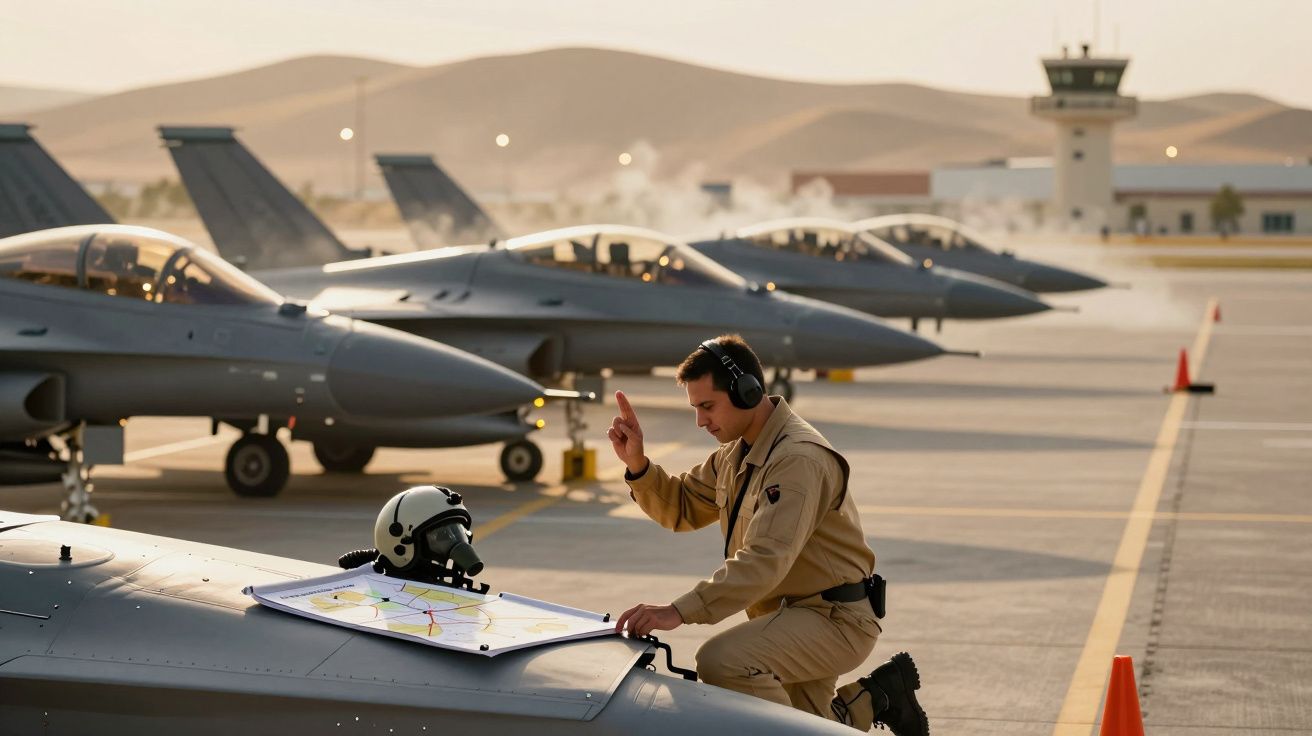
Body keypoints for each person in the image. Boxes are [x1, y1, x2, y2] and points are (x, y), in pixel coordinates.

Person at [609, 335, 928, 734]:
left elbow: (764, 559)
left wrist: (679, 611)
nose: (700, 421)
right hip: (790, 617)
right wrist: (637, 464)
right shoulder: (739, 451)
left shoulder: (796, 459)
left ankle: (871, 699)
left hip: (833, 620)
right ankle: (875, 698)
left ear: (748, 392)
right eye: (695, 408)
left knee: (723, 661)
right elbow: (683, 507)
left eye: (707, 406)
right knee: (812, 726)